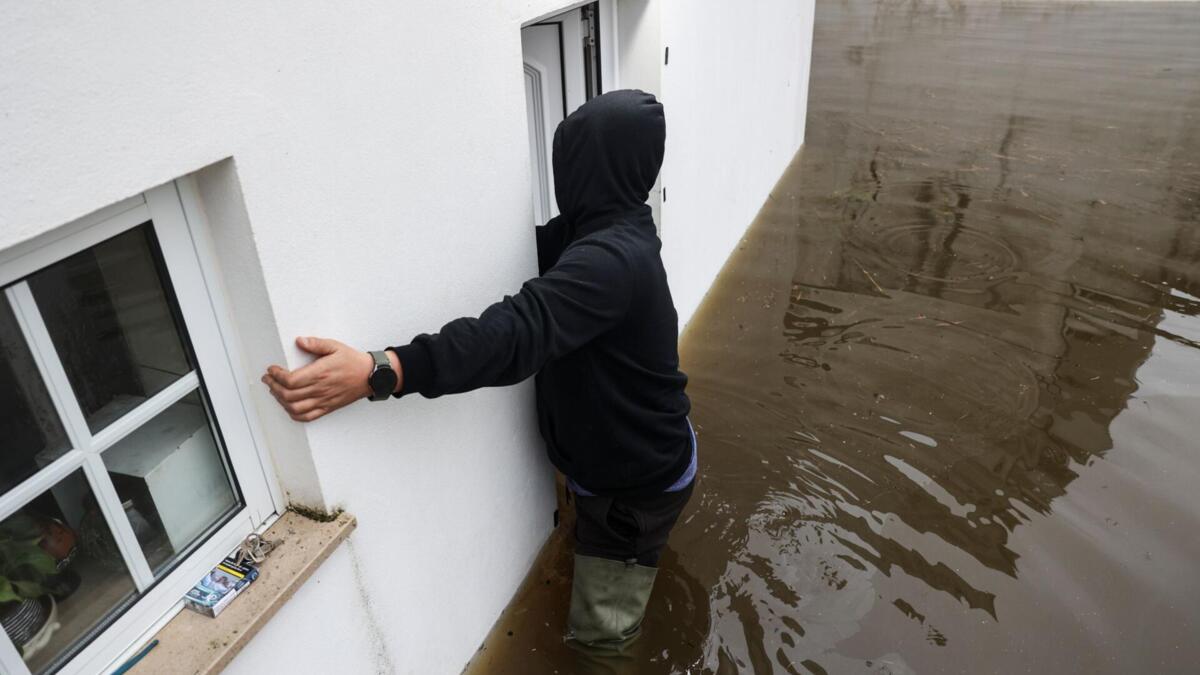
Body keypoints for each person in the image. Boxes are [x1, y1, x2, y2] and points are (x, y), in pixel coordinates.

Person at [261, 89, 695, 653]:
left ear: (588, 169)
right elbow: (518, 259)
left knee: (600, 644)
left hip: (633, 488)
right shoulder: (605, 230)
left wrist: (383, 370)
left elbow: (514, 332)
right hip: (634, 455)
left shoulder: (612, 260)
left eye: (570, 161)